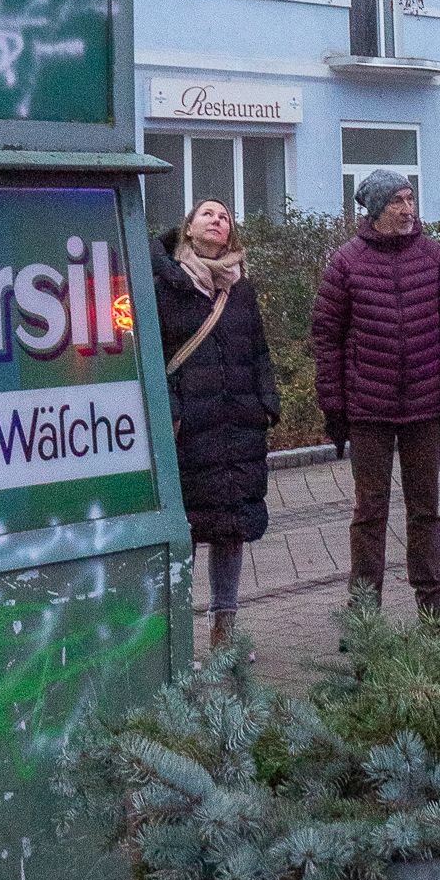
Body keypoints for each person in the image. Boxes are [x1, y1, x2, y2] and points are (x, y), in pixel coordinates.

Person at [312, 171, 440, 620]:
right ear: (376, 209)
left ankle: (434, 605)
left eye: (410, 199)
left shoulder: (435, 257)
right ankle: (365, 613)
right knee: (369, 515)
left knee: (426, 511)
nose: (408, 210)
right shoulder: (346, 263)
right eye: (397, 202)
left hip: (425, 407)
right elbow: (326, 338)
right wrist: (334, 407)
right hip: (369, 411)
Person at [151, 199, 280, 653]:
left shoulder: (240, 288)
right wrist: (170, 410)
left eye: (224, 217)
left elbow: (258, 349)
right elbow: (154, 354)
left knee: (230, 525)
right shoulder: (164, 284)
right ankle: (176, 633)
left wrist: (268, 401)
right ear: (188, 228)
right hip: (189, 424)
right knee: (182, 526)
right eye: (207, 213)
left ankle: (224, 626)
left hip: (237, 420)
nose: (217, 220)